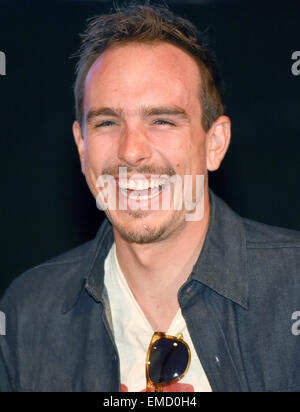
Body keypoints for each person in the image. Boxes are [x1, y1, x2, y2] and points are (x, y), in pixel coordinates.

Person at [1, 2, 300, 393]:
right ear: (81, 146)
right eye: (108, 122)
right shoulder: (26, 314)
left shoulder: (292, 286)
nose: (131, 151)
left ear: (215, 143)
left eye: (161, 121)